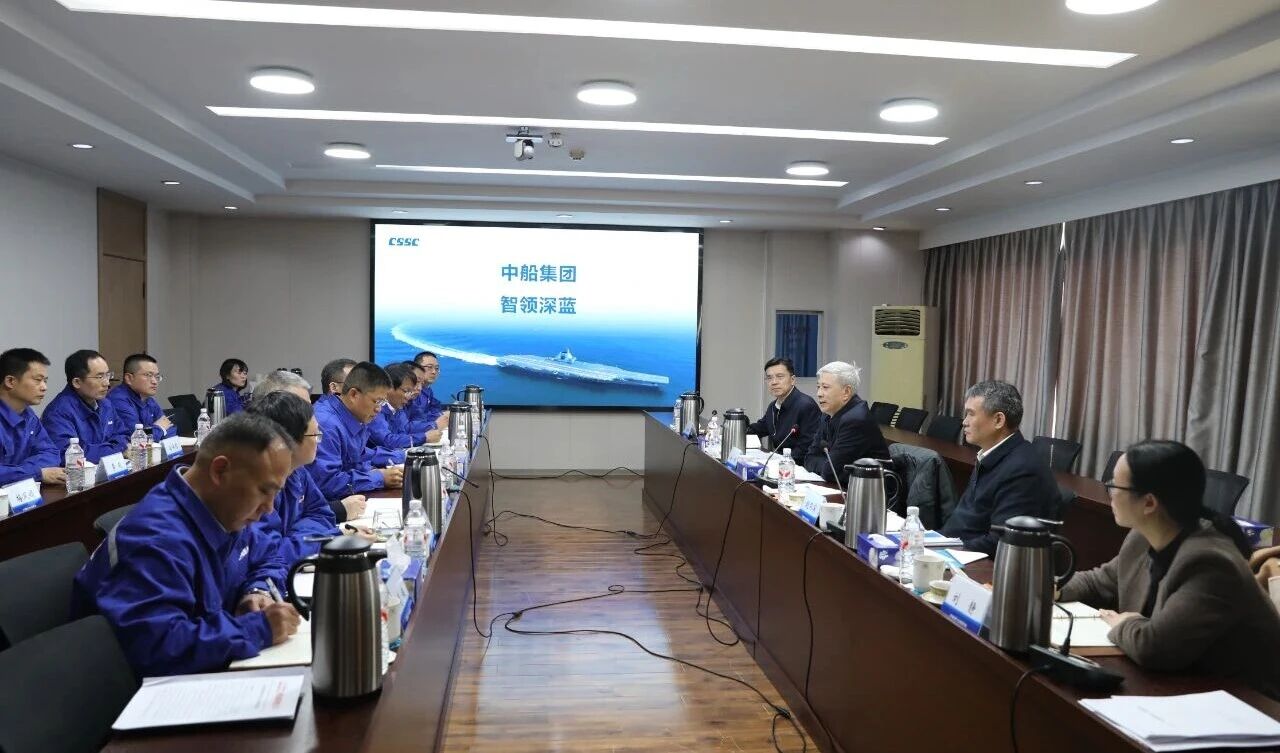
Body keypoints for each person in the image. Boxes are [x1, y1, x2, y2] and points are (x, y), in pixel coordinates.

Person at [71, 413, 302, 677]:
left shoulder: (226, 510)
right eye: (264, 491)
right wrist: (258, 629)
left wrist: (257, 590)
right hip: (143, 690)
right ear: (220, 471)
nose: (270, 508)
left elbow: (268, 554)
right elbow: (159, 647)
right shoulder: (155, 539)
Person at [1059, 441, 1280, 699]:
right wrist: (1050, 588)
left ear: (1149, 503)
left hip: (1249, 702)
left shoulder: (1210, 562)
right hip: (1186, 684)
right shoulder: (1143, 536)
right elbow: (1099, 582)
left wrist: (1124, 623)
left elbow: (1156, 648)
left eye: (1114, 486)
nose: (1110, 493)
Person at [940, 380, 1058, 554]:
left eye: (971, 414)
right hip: (953, 549)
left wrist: (942, 549)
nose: (964, 422)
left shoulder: (1023, 470)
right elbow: (965, 521)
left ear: (998, 420)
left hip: (973, 562)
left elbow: (1000, 542)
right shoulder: (989, 454)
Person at [252, 370, 368, 524]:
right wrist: (339, 511)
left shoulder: (296, 467)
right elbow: (272, 538)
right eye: (297, 407)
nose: (310, 415)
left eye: (308, 407)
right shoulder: (254, 475)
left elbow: (318, 512)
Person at [247, 391, 347, 566]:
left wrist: (296, 537)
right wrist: (317, 540)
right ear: (288, 440)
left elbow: (321, 513)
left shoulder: (298, 470)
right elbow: (272, 554)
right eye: (315, 435)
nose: (319, 441)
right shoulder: (254, 488)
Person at [307, 362, 403, 507]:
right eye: (376, 401)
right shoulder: (326, 424)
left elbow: (359, 458)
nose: (378, 409)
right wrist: (378, 477)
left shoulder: (354, 415)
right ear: (353, 394)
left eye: (383, 402)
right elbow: (326, 483)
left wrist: (380, 472)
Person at [802, 360, 889, 488]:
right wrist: (825, 465)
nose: (819, 393)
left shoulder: (856, 420)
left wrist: (823, 465)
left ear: (846, 392)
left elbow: (830, 471)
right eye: (818, 387)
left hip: (872, 493)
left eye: (825, 387)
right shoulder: (828, 413)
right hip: (845, 486)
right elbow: (809, 458)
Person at [41, 349, 128, 463]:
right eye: (99, 377)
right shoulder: (58, 412)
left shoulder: (106, 404)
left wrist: (113, 449)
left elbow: (123, 435)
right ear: (77, 382)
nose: (107, 383)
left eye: (107, 375)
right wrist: (117, 450)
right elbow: (70, 455)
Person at [0, 348, 63, 486]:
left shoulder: (28, 415)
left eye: (45, 381)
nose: (44, 387)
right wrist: (36, 473)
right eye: (38, 380)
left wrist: (22, 473)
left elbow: (51, 453)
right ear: (10, 381)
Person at [747, 357, 821, 465]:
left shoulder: (806, 406)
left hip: (797, 467)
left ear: (792, 380)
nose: (774, 382)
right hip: (780, 464)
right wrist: (737, 426)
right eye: (769, 378)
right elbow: (759, 428)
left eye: (780, 377)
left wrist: (780, 463)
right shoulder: (773, 406)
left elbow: (806, 447)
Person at [105, 353, 176, 442]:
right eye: (148, 375)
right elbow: (137, 438)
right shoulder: (118, 400)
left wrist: (157, 431)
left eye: (157, 376)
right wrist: (160, 429)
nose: (155, 381)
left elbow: (169, 428)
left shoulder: (149, 400)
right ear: (129, 378)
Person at [366, 362, 421, 466]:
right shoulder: (376, 409)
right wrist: (425, 437)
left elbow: (404, 432)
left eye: (410, 392)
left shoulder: (398, 409)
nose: (408, 397)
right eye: (406, 391)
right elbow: (387, 441)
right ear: (389, 388)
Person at [406, 351, 449, 436]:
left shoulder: (428, 389)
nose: (434, 372)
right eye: (429, 367)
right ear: (417, 368)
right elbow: (416, 420)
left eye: (437, 368)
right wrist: (436, 422)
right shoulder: (412, 393)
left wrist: (442, 415)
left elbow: (435, 408)